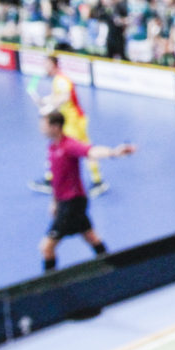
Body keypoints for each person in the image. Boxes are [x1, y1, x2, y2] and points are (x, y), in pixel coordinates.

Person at [38, 111, 136, 271]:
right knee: (91, 237)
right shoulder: (52, 147)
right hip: (65, 202)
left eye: (44, 125)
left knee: (46, 248)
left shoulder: (69, 145)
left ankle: (50, 282)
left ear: (55, 127)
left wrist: (114, 152)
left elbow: (91, 151)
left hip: (72, 203)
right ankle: (111, 268)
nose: (41, 128)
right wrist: (54, 202)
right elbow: (57, 178)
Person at [29, 54, 108, 196]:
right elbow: (57, 97)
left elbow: (64, 97)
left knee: (81, 148)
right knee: (72, 147)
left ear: (53, 64)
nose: (44, 67)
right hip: (70, 121)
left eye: (46, 64)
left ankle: (97, 181)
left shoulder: (61, 80)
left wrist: (49, 106)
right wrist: (45, 101)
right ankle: (95, 180)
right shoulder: (57, 80)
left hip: (74, 122)